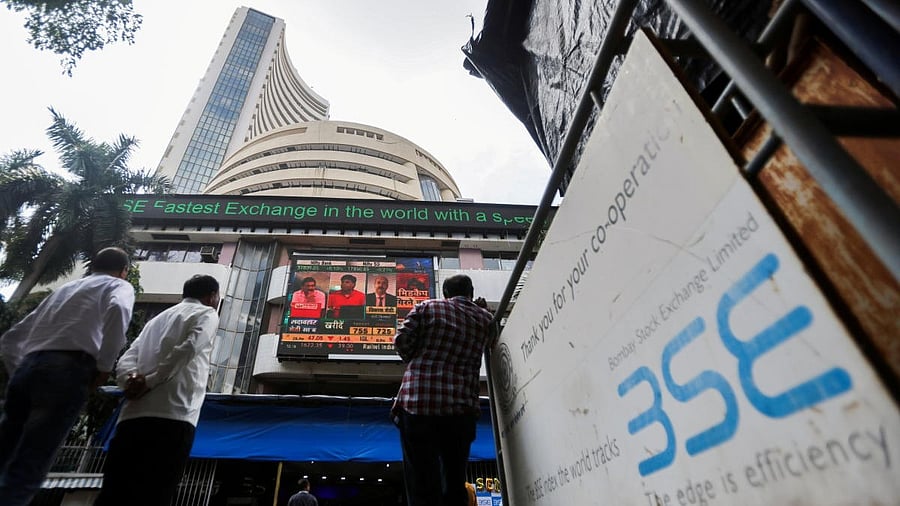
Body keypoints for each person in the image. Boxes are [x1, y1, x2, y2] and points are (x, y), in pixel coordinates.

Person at [0, 247, 134, 506]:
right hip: (69, 369)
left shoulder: (64, 291)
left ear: (92, 266)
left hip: (28, 367)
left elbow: (10, 339)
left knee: (5, 449)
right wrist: (105, 367)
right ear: (123, 272)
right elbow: (117, 309)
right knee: (31, 460)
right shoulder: (118, 286)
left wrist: (23, 371)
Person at [94, 274, 220, 506]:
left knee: (114, 492)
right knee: (155, 492)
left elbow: (127, 358)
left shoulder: (156, 320)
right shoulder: (207, 313)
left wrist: (129, 381)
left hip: (131, 417)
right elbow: (190, 347)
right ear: (212, 296)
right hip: (174, 416)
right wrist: (150, 381)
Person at [391, 274, 495, 506]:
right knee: (455, 482)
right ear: (470, 291)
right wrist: (482, 310)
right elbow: (490, 341)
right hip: (461, 411)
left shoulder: (427, 307)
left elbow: (401, 341)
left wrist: (419, 361)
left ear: (446, 294)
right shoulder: (485, 319)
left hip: (419, 405)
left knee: (421, 483)